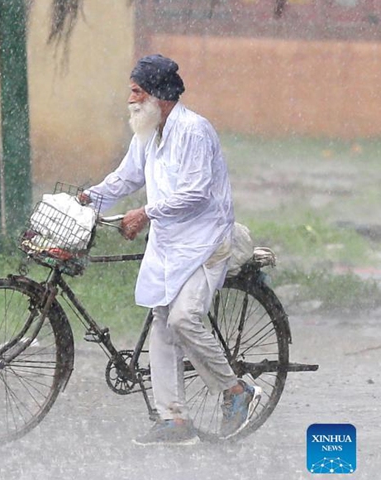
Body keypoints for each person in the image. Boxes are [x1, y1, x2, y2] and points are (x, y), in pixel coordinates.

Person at [80, 54, 262, 446]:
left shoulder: (194, 131)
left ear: (160, 96)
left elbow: (196, 194)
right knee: (162, 322)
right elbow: (126, 177)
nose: (130, 99)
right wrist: (87, 199)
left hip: (206, 243)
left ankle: (235, 391)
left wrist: (145, 213)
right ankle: (174, 419)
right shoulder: (147, 132)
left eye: (137, 91)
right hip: (169, 245)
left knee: (183, 320)